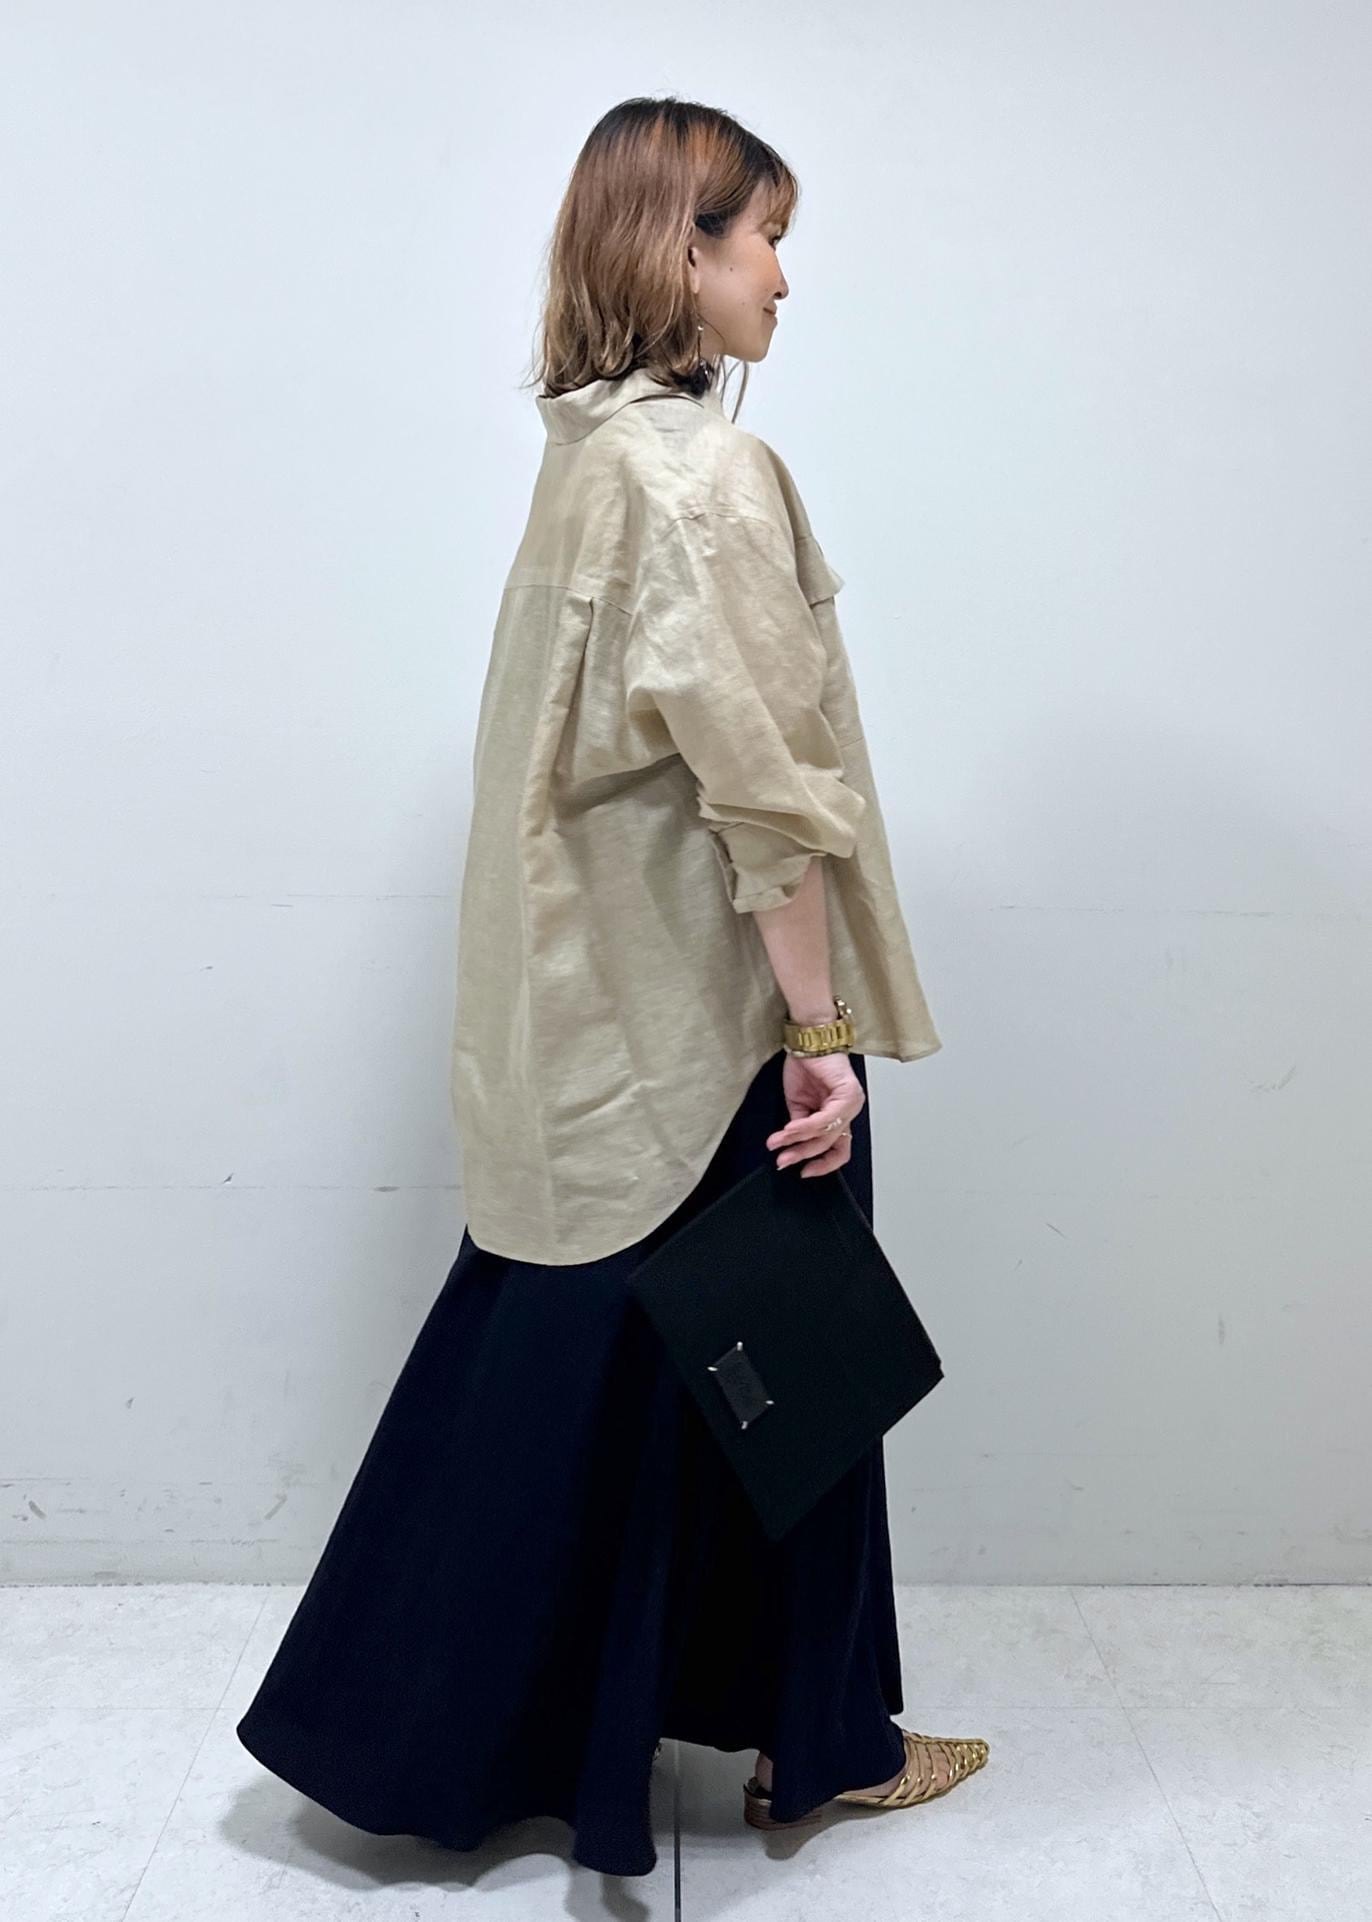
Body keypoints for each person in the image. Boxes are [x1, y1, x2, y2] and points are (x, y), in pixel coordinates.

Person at [234, 94, 988, 1878]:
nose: (786, 278)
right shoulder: (705, 479)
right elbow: (764, 799)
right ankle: (817, 1748)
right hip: (704, 1024)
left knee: (588, 1390)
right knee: (793, 1381)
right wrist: (819, 1034)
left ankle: (505, 1732)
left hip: (587, 1026)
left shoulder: (586, 465)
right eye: (764, 237)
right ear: (680, 251)